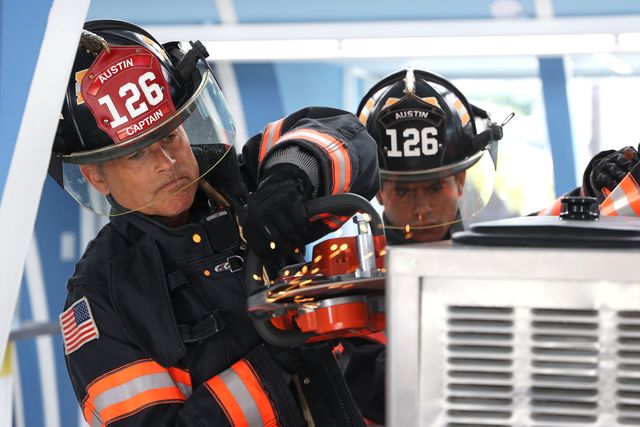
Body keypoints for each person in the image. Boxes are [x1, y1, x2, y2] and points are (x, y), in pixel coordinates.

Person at [50, 20, 380, 426]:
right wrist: (276, 361)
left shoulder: (245, 184)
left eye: (169, 135)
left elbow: (346, 136)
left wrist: (293, 174)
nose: (167, 162)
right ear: (95, 176)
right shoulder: (103, 295)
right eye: (137, 153)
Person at [339, 68, 505, 424]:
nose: (421, 208)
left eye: (434, 187)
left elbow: (552, 230)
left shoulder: (496, 263)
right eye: (403, 191)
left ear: (460, 181)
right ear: (379, 191)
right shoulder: (351, 280)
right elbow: (368, 384)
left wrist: (593, 184)